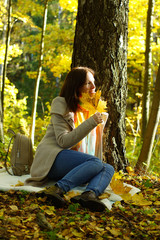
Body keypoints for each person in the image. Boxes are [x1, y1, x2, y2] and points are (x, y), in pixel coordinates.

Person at [25, 66, 114, 212]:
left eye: (93, 82)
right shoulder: (61, 103)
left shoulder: (91, 109)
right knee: (95, 162)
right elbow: (63, 142)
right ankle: (57, 189)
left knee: (107, 167)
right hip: (53, 158)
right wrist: (91, 122)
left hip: (73, 163)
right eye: (88, 83)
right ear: (76, 85)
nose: (94, 87)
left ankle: (89, 195)